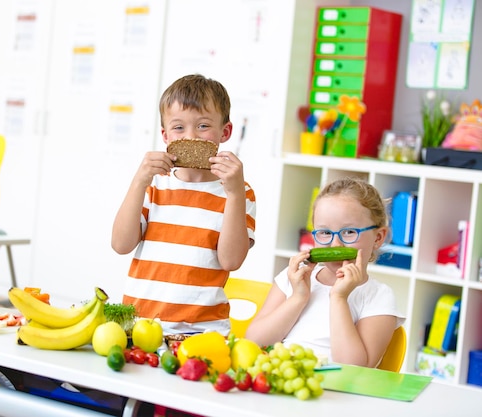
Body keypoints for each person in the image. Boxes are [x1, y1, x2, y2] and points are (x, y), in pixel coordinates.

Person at [112, 74, 256, 335]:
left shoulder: (238, 191)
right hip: (138, 325)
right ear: (166, 135)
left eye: (203, 126)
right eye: (179, 128)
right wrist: (138, 181)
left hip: (202, 331)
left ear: (225, 132)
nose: (191, 137)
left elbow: (231, 260)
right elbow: (121, 245)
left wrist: (234, 194)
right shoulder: (154, 185)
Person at [246, 177, 405, 367]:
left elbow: (356, 369)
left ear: (378, 237)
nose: (335, 244)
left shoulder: (378, 296)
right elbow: (254, 342)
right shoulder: (294, 278)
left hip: (337, 392)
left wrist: (339, 298)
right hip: (282, 380)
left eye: (349, 232)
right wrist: (298, 298)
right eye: (325, 233)